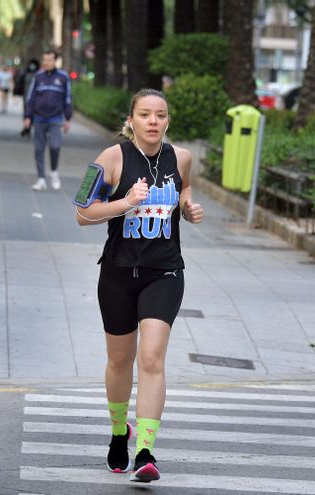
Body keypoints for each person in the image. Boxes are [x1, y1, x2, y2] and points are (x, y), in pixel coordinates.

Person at [74, 89, 204, 483]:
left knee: (151, 358)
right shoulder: (110, 158)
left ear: (167, 120)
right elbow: (82, 213)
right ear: (131, 120)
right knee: (119, 361)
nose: (153, 121)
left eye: (160, 115)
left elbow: (184, 189)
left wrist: (188, 207)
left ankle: (146, 450)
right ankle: (119, 431)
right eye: (145, 114)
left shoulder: (181, 158)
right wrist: (125, 202)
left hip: (163, 272)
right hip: (117, 272)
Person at [23, 50, 71, 191]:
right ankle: (41, 179)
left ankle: (54, 172)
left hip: (56, 118)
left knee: (55, 146)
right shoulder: (38, 77)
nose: (46, 63)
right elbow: (30, 98)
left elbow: (67, 98)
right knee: (38, 149)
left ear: (55, 61)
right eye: (44, 60)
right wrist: (28, 116)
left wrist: (67, 118)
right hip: (39, 118)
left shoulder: (63, 77)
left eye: (49, 60)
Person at [16, 59, 40, 137]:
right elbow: (19, 83)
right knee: (26, 113)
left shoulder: (38, 75)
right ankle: (26, 127)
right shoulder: (25, 74)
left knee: (32, 114)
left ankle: (28, 128)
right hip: (26, 97)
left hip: (35, 99)